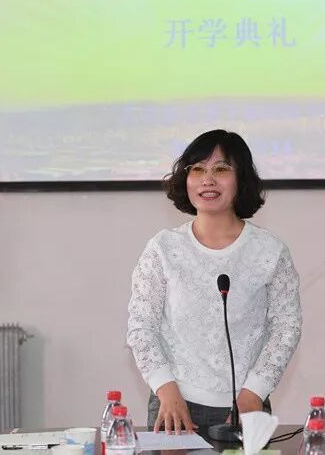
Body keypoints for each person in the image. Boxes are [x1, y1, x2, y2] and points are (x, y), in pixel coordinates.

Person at [126, 129, 302, 435]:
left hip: (246, 406)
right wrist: (165, 389)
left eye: (221, 169)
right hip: (174, 406)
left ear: (241, 179)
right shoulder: (163, 248)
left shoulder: (270, 251)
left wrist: (255, 391)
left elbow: (286, 327)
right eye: (197, 169)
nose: (207, 180)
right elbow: (141, 328)